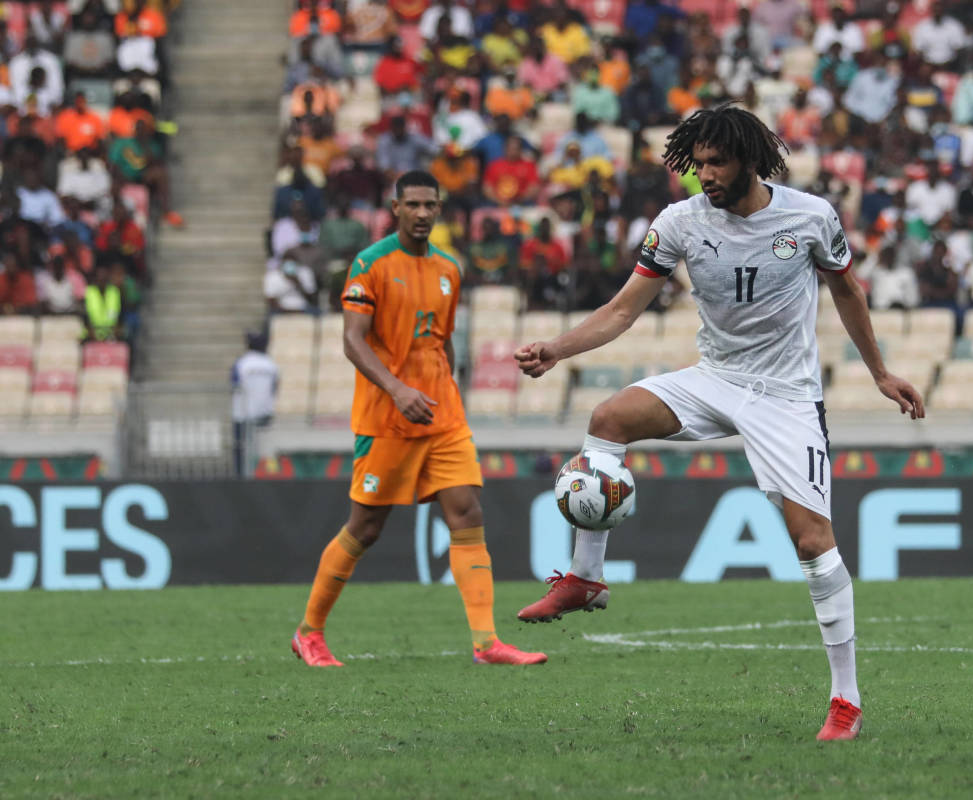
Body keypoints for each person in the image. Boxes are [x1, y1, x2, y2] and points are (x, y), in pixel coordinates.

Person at [512, 105, 925, 740]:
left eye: (717, 162)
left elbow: (847, 290)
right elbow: (624, 311)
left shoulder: (810, 216)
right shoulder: (678, 223)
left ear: (750, 161)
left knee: (814, 545)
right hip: (716, 378)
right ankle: (586, 578)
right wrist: (557, 349)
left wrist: (878, 372)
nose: (705, 174)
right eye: (697, 163)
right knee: (608, 419)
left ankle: (846, 700)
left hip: (786, 396)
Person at [291, 170, 546, 668]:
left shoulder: (450, 269)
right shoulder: (371, 264)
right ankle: (309, 633)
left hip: (443, 415)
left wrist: (446, 391)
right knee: (365, 528)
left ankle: (485, 642)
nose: (424, 213)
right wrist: (397, 388)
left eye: (431, 205)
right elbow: (352, 340)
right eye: (414, 205)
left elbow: (442, 341)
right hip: (387, 416)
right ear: (395, 207)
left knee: (467, 513)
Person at [231, 331, 279, 477]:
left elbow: (233, 384)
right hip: (264, 413)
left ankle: (242, 477)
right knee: (264, 449)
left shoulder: (241, 363)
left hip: (242, 414)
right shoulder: (271, 365)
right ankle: (266, 475)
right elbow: (275, 388)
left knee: (241, 448)